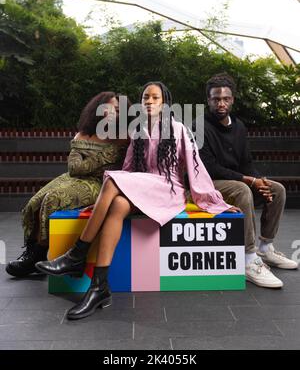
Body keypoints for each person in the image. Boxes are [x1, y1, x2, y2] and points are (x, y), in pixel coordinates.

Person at [36, 81, 239, 320]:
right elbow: (129, 169)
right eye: (145, 98)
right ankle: (99, 288)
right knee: (118, 204)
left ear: (165, 103)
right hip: (144, 186)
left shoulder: (179, 129)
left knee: (111, 181)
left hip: (167, 190)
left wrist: (215, 202)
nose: (149, 102)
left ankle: (76, 255)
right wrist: (106, 200)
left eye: (155, 98)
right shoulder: (138, 132)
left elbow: (197, 171)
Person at [6, 92, 129, 278]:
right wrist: (106, 156)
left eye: (118, 110)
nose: (113, 113)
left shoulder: (125, 137)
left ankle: (40, 254)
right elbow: (74, 169)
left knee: (53, 199)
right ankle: (31, 253)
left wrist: (91, 158)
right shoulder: (84, 134)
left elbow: (85, 166)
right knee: (35, 201)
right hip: (73, 178)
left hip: (102, 183)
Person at [197, 73, 298, 288]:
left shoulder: (239, 127)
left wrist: (259, 180)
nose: (221, 103)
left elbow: (246, 162)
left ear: (232, 99)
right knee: (243, 189)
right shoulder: (199, 127)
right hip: (209, 184)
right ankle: (248, 259)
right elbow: (209, 167)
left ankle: (265, 247)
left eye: (225, 98)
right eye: (216, 99)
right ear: (208, 100)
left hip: (238, 180)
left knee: (277, 189)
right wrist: (249, 181)